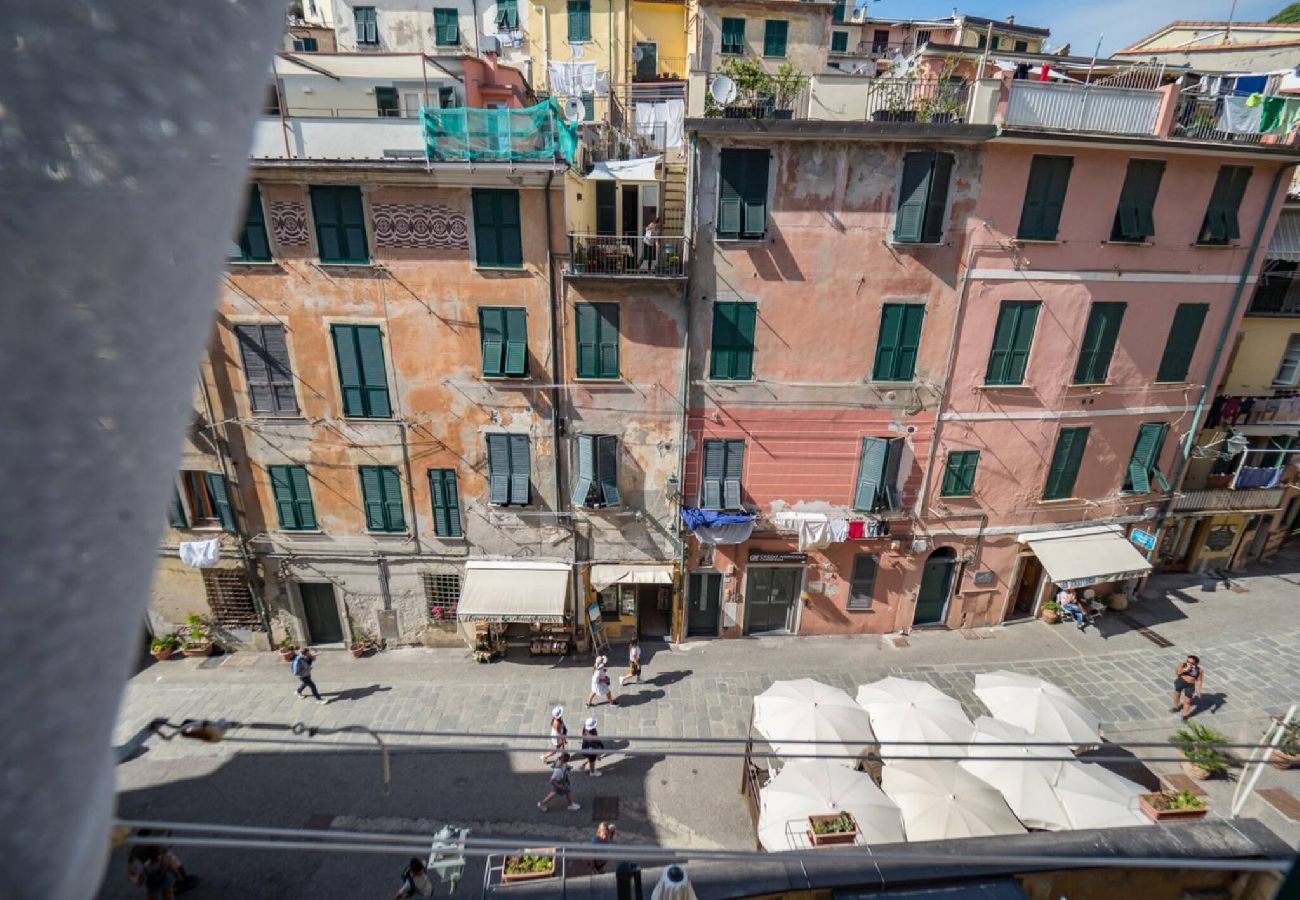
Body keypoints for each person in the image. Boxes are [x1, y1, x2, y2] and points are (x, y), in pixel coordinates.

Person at [1172, 654, 1204, 720]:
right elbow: (1177, 673)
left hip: (1190, 685)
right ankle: (1176, 707)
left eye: (1192, 663)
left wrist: (1199, 690)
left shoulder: (1199, 670)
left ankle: (1185, 715)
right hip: (1181, 681)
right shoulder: (1182, 664)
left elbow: (1199, 680)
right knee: (1177, 695)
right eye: (1188, 661)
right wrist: (1185, 670)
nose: (1189, 663)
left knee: (1188, 701)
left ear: (1196, 663)